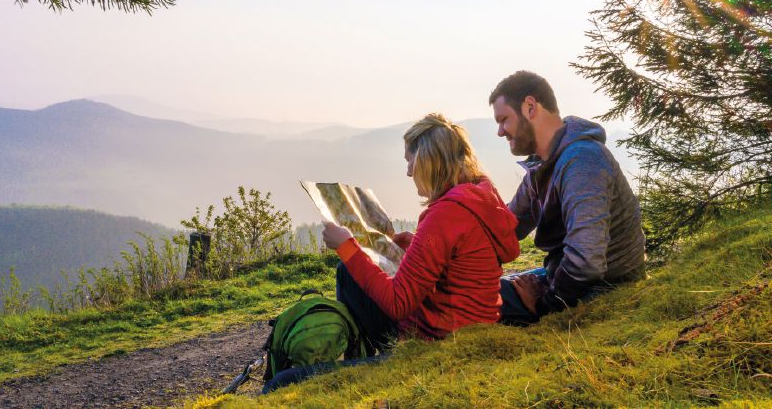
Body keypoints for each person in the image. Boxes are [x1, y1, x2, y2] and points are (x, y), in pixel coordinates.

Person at [264, 114, 520, 393]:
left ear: (427, 160)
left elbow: (398, 303)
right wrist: (413, 246)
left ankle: (360, 366)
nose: (409, 172)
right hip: (467, 326)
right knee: (348, 273)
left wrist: (347, 246)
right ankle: (358, 353)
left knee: (281, 384)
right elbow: (461, 260)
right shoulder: (480, 195)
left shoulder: (445, 214)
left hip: (439, 344)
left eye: (410, 161)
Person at [489, 71, 646, 326]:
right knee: (483, 291)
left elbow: (586, 262)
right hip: (568, 282)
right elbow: (507, 227)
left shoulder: (583, 161)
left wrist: (545, 305)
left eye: (504, 119)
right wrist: (431, 251)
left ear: (530, 106)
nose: (500, 132)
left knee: (478, 303)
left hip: (604, 292)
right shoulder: (543, 165)